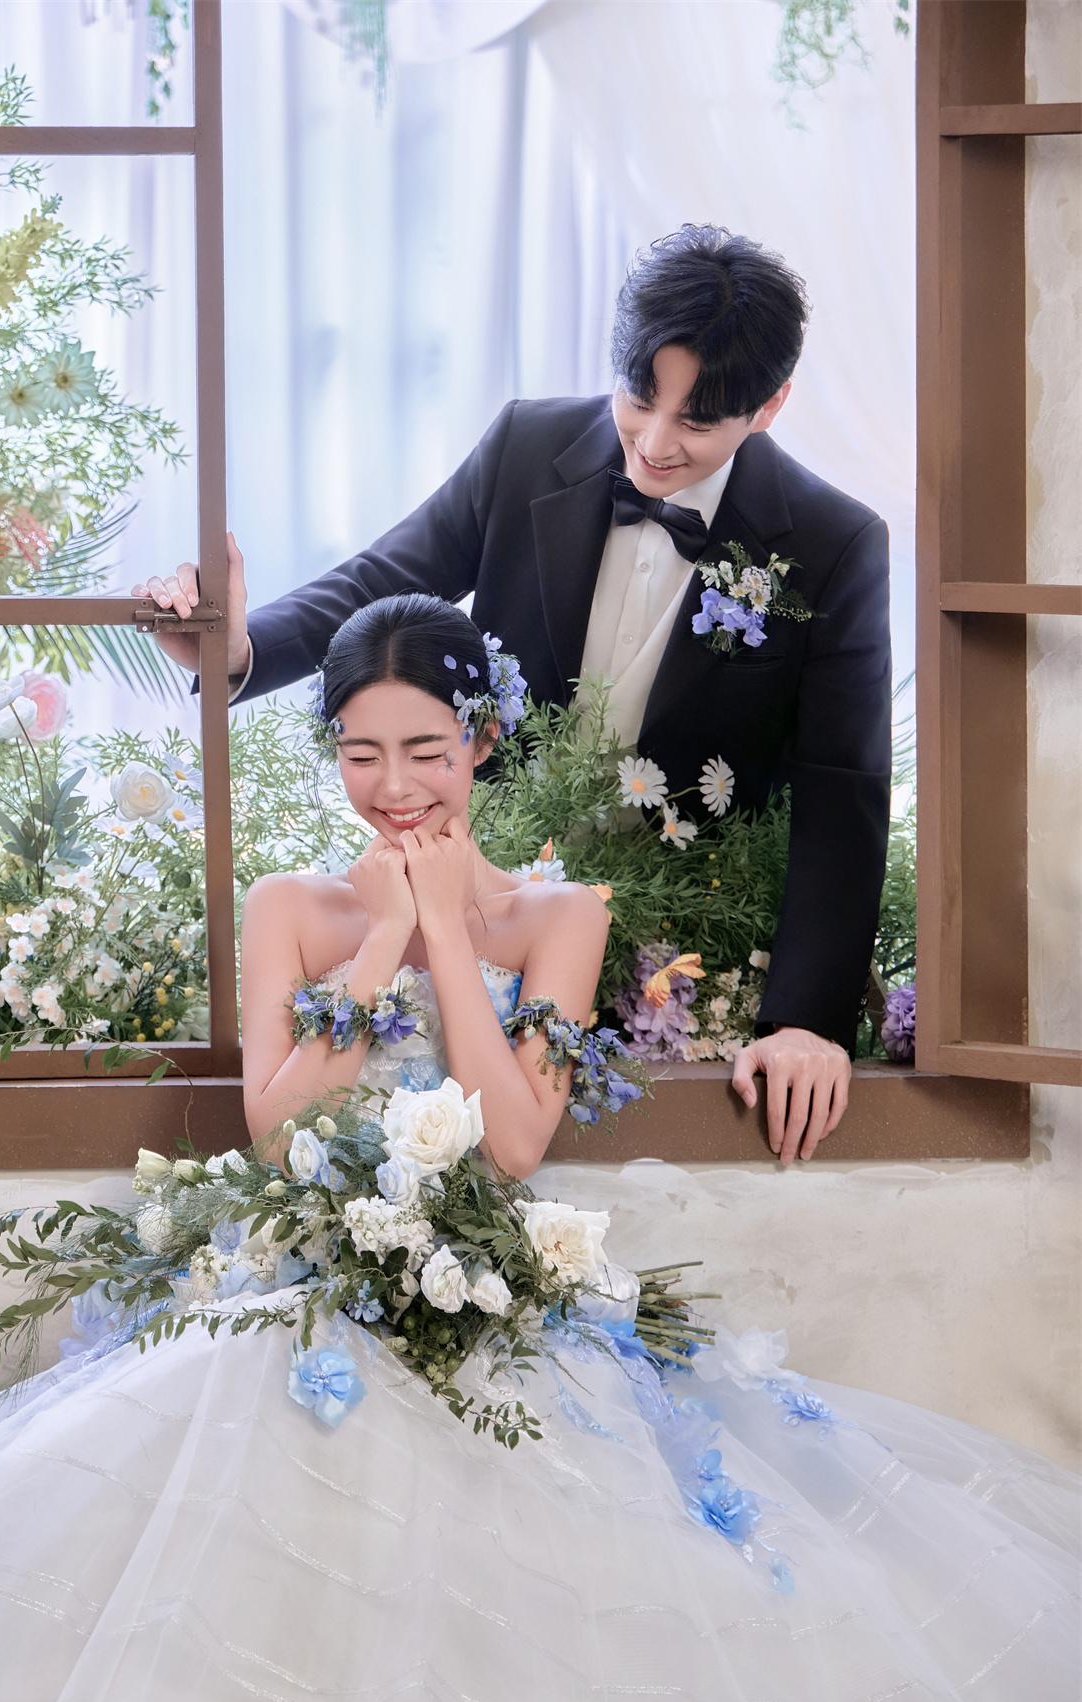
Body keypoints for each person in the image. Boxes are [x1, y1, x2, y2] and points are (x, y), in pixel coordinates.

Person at [0, 598, 1077, 1702]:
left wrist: (448, 939)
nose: (394, 786)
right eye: (361, 753)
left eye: (426, 750)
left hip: (494, 1288)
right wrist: (382, 934)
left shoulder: (564, 914)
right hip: (296, 1281)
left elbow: (510, 1144)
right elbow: (280, 1135)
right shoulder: (290, 904)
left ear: (485, 740)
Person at [138, 226, 891, 1167]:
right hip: (483, 893)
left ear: (770, 405)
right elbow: (382, 584)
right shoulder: (528, 445)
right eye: (639, 396)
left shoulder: (832, 542)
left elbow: (843, 789)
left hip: (679, 938)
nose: (654, 443)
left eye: (697, 423)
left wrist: (805, 1020)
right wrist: (239, 649)